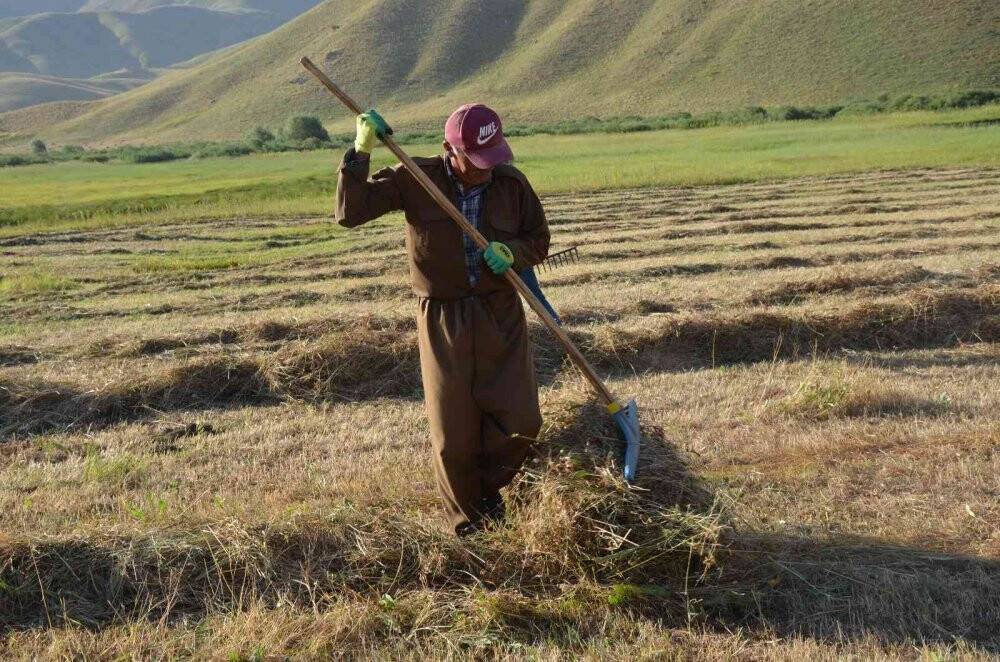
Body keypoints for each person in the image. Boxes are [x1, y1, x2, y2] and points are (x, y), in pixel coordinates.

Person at [336, 103, 551, 536]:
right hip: (442, 318)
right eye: (477, 160)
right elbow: (349, 213)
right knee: (454, 435)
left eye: (493, 158)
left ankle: (490, 491)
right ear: (451, 151)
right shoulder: (416, 179)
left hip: (499, 312)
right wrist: (361, 151)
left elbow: (538, 239)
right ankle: (469, 523)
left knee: (522, 422)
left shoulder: (511, 184)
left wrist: (513, 252)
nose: (486, 170)